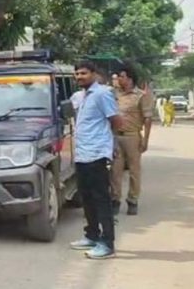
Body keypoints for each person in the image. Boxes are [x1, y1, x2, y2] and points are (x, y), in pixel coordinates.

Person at [69, 61, 122, 260]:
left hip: (97, 153)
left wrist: (112, 145)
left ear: (94, 74)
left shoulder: (102, 94)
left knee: (101, 199)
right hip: (82, 154)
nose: (79, 77)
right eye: (77, 74)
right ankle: (92, 235)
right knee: (87, 198)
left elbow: (116, 121)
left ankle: (107, 244)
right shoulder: (79, 96)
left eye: (83, 73)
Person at [111, 65, 153, 216]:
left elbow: (148, 119)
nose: (118, 79)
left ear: (129, 78)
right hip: (116, 136)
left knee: (134, 170)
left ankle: (133, 200)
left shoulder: (141, 95)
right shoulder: (115, 95)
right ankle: (115, 199)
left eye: (121, 76)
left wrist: (145, 140)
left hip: (132, 136)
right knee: (115, 171)